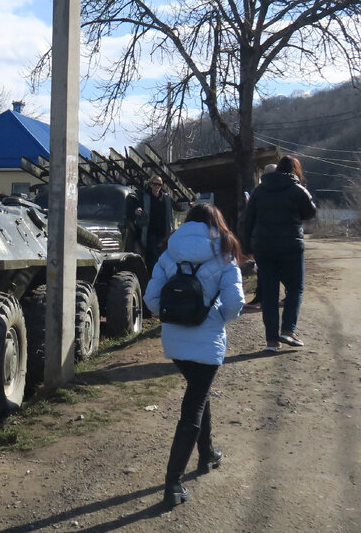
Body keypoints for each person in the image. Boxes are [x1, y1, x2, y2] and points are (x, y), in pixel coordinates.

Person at [142, 203, 246, 509]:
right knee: (193, 407)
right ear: (216, 223)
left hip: (174, 343)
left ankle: (207, 455)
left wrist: (173, 314)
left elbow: (150, 299)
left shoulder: (168, 252)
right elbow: (235, 301)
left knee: (199, 394)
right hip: (207, 341)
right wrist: (217, 319)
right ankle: (172, 485)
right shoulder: (225, 251)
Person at [243, 155, 317, 352]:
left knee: (269, 293)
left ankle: (271, 341)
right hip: (290, 247)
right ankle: (288, 330)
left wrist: (247, 248)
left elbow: (247, 219)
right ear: (295, 171)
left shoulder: (259, 191)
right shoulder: (297, 189)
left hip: (263, 248)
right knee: (295, 289)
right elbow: (311, 212)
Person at [244, 163, 279, 309]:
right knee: (273, 271)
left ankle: (263, 299)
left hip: (263, 237)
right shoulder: (284, 190)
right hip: (278, 238)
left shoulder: (260, 191)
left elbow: (252, 217)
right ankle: (264, 298)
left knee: (264, 271)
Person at [136, 174, 177, 272]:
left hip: (163, 232)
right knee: (153, 258)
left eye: (160, 185)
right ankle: (152, 277)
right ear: (150, 184)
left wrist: (171, 230)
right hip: (150, 232)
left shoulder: (165, 198)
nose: (157, 187)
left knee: (164, 257)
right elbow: (137, 205)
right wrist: (138, 210)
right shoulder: (144, 196)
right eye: (155, 184)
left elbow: (170, 215)